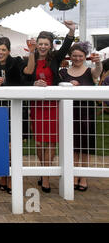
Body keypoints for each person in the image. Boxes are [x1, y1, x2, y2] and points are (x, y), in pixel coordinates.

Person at [23, 20, 76, 193]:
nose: (43, 47)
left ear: (51, 46)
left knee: (51, 141)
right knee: (39, 142)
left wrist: (71, 30)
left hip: (52, 104)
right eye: (40, 44)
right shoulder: (30, 58)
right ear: (36, 44)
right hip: (37, 105)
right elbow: (27, 77)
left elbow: (67, 45)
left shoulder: (55, 58)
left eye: (46, 44)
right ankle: (43, 169)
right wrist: (34, 84)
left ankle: (45, 178)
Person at [0, 36, 31, 194]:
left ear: (9, 51)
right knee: (3, 146)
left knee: (13, 146)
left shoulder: (17, 62)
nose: (0, 52)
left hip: (16, 110)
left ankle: (12, 178)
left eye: (3, 49)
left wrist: (31, 52)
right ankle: (4, 177)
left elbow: (29, 72)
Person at [59, 42, 102, 192]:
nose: (77, 58)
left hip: (86, 113)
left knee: (85, 147)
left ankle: (83, 177)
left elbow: (98, 72)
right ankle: (73, 175)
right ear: (70, 56)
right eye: (75, 55)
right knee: (72, 146)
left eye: (80, 56)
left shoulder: (90, 71)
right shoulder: (63, 72)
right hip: (69, 113)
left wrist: (99, 63)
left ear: (85, 57)